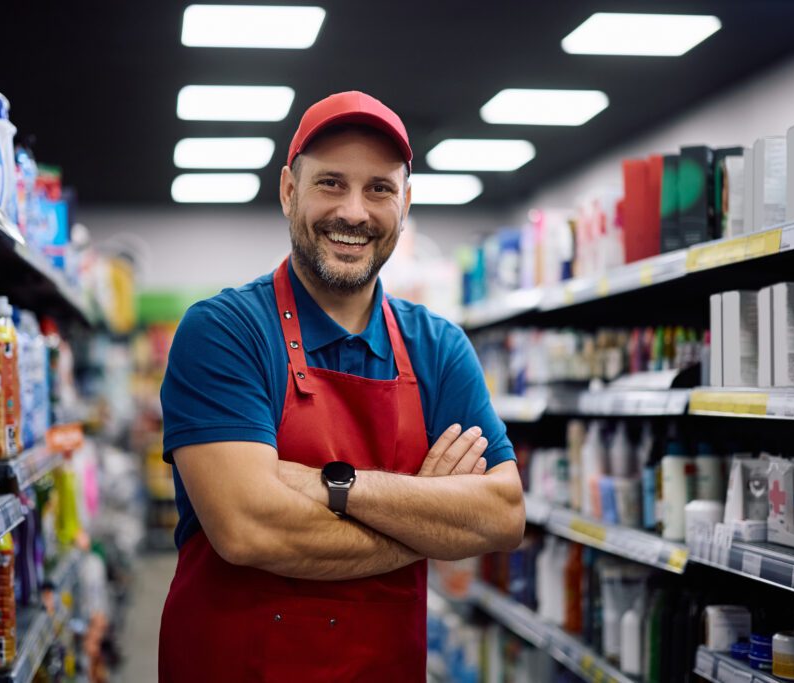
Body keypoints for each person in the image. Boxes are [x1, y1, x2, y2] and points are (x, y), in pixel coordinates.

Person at [158, 90, 525, 682]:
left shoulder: (438, 347)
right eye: (330, 183)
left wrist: (331, 485)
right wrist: (426, 522)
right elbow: (249, 528)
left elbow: (502, 515)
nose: (354, 212)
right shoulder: (225, 331)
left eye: (379, 188)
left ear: (405, 202)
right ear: (288, 191)